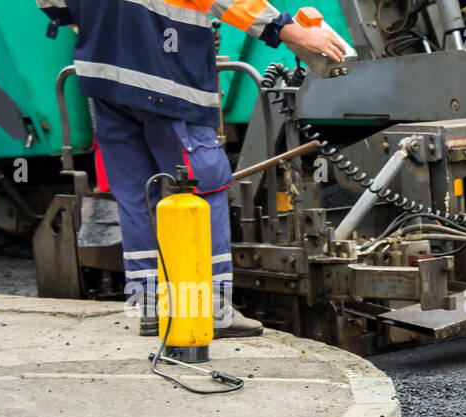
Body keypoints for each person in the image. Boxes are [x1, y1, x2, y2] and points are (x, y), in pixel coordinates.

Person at [35, 1, 344, 336]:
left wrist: (87, 23)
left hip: (106, 80)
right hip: (168, 81)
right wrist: (288, 30)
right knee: (204, 185)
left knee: (139, 195)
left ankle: (149, 307)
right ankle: (211, 308)